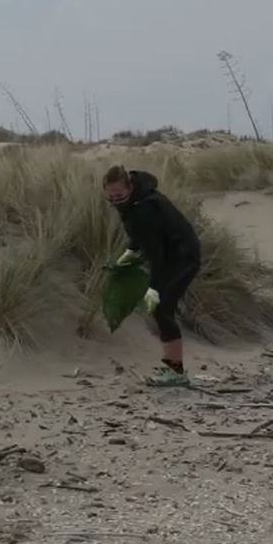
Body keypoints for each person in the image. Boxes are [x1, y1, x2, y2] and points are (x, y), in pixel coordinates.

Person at [104, 165, 201, 387]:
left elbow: (156, 254)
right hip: (171, 255)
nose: (116, 202)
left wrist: (153, 289)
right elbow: (139, 238)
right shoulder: (135, 200)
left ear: (130, 187)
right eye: (111, 198)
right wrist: (125, 258)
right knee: (161, 309)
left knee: (162, 307)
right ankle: (172, 367)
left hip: (183, 257)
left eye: (120, 197)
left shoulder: (145, 208)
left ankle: (175, 371)